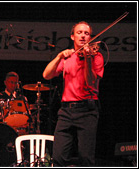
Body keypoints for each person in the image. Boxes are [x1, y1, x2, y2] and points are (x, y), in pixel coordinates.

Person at [43, 21, 104, 166]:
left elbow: (90, 82)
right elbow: (46, 75)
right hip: (66, 111)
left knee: (85, 158)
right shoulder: (67, 57)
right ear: (72, 36)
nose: (83, 36)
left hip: (87, 110)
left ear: (90, 38)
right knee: (58, 157)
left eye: (86, 33)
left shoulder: (96, 56)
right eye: (79, 32)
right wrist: (59, 56)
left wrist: (88, 59)